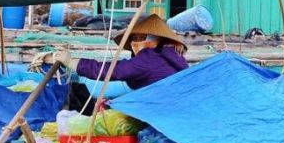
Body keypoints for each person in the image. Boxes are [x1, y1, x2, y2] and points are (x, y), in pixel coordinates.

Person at [38, 14, 189, 91]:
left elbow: (113, 71)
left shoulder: (150, 58)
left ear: (157, 40)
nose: (136, 43)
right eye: (134, 38)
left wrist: (72, 62)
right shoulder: (171, 55)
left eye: (142, 38)